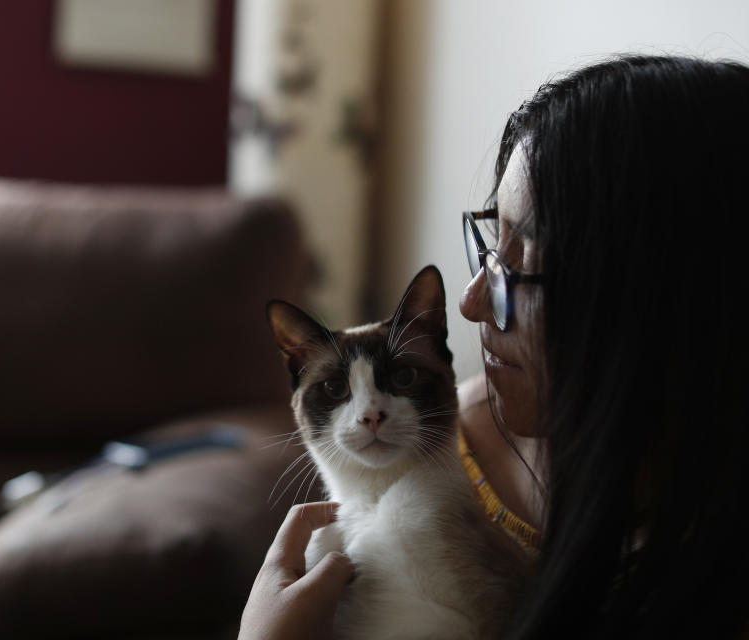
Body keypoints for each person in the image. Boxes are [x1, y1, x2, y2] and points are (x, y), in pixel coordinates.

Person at [238, 54, 749, 639]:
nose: (472, 302)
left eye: (524, 260)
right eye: (490, 244)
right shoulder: (460, 439)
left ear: (659, 293)